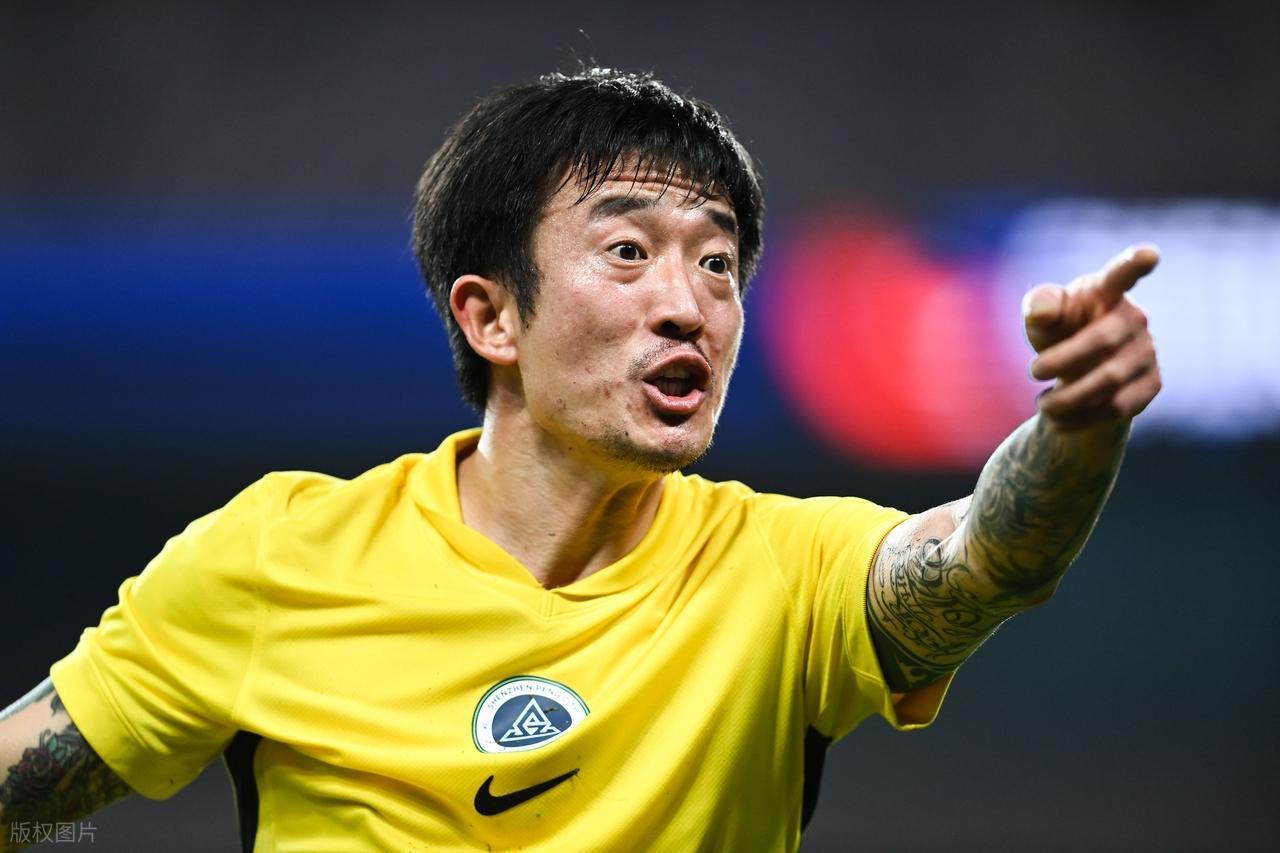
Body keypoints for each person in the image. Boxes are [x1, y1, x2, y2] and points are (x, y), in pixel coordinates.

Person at [0, 67, 1161, 851]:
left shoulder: (781, 571)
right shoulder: (276, 558)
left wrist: (1075, 427)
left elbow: (982, 559)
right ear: (490, 316)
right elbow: (26, 796)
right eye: (627, 250)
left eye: (717, 264)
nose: (687, 304)